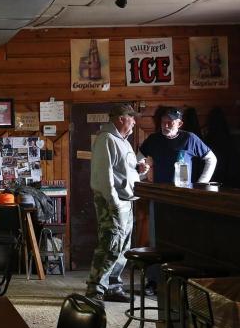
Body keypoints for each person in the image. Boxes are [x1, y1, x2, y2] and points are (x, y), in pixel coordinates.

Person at [137, 106, 217, 294]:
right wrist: (142, 170)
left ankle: (181, 282)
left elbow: (211, 159)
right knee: (157, 240)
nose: (166, 125)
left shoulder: (190, 138)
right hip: (160, 196)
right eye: (163, 121)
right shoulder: (153, 139)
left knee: (183, 240)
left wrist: (201, 184)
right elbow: (138, 159)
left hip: (183, 198)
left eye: (170, 122)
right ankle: (154, 282)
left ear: (179, 123)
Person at [86, 104, 149, 303]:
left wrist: (139, 170)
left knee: (123, 247)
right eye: (132, 118)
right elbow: (104, 175)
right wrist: (113, 202)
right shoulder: (106, 139)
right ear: (121, 118)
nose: (134, 122)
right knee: (110, 245)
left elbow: (124, 171)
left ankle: (112, 286)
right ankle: (95, 290)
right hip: (112, 201)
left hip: (126, 201)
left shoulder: (124, 142)